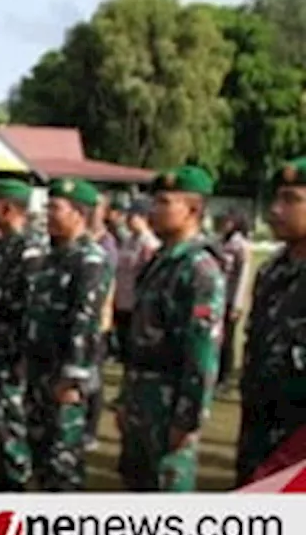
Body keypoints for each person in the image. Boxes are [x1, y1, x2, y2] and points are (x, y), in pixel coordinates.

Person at [115, 167, 226, 492]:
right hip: (141, 395)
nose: (153, 210)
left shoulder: (199, 268)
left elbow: (202, 351)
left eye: (164, 202)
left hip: (169, 402)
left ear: (193, 210)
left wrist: (187, 418)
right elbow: (139, 338)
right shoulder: (160, 261)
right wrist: (125, 397)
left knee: (168, 501)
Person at [16, 179, 113, 491]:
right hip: (39, 370)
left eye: (56, 208)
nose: (48, 215)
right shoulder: (50, 257)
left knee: (64, 458)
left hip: (64, 376)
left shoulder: (90, 259)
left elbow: (85, 322)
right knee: (39, 450)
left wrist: (73, 378)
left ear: (78, 214)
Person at [235, 158, 306, 485]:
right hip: (259, 430)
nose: (275, 210)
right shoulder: (272, 271)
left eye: (291, 199)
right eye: (276, 198)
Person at [0, 179, 48, 491]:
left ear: (7, 208)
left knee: (13, 421)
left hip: (15, 353)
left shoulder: (29, 249)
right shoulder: (1, 245)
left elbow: (34, 310)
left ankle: (15, 488)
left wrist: (23, 356)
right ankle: (2, 479)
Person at [85, 194, 120, 450]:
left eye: (97, 208)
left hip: (98, 319)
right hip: (84, 321)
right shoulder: (84, 240)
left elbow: (107, 284)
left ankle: (91, 430)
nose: (92, 212)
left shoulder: (107, 244)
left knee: (94, 378)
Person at [217, 209, 254, 393]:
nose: (225, 224)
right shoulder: (220, 241)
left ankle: (225, 376)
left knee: (227, 340)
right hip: (217, 297)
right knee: (215, 336)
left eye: (228, 221)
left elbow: (243, 276)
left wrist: (237, 304)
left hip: (230, 299)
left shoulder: (241, 246)